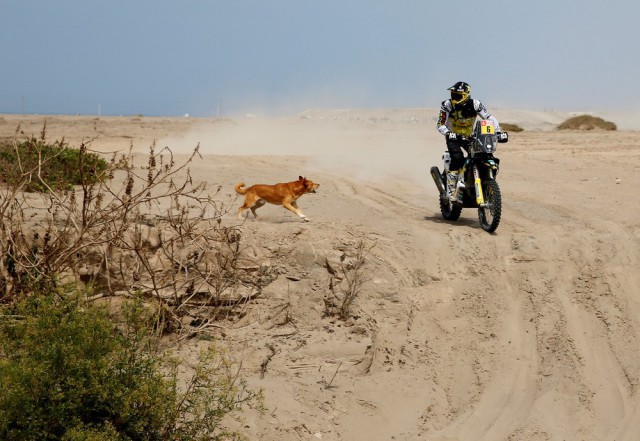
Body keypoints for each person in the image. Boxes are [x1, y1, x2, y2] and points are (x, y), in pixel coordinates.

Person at [436, 81, 507, 202]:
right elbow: (440, 124)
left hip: (470, 137)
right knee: (457, 158)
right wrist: (448, 133)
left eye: (457, 95)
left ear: (465, 95)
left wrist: (498, 132)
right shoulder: (447, 105)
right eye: (453, 94)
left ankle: (485, 183)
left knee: (484, 156)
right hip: (453, 137)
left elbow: (489, 117)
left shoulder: (475, 104)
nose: (453, 97)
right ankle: (452, 189)